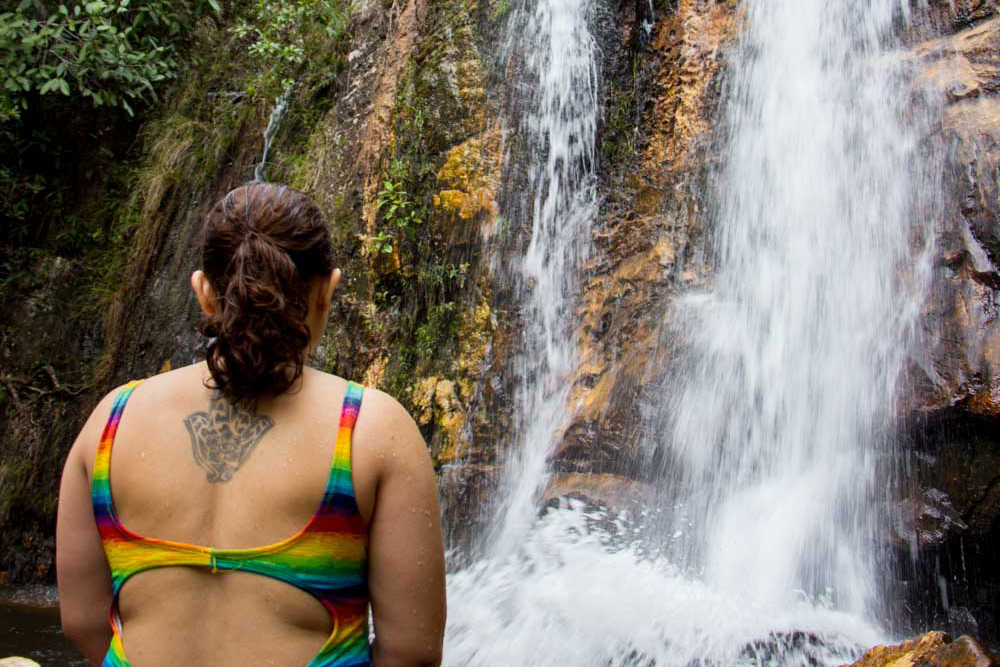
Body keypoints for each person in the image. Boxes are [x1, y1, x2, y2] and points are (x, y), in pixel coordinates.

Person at [55, 183, 446, 667]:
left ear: (204, 292)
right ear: (327, 290)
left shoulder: (111, 422)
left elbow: (82, 620)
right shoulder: (370, 431)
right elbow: (412, 651)